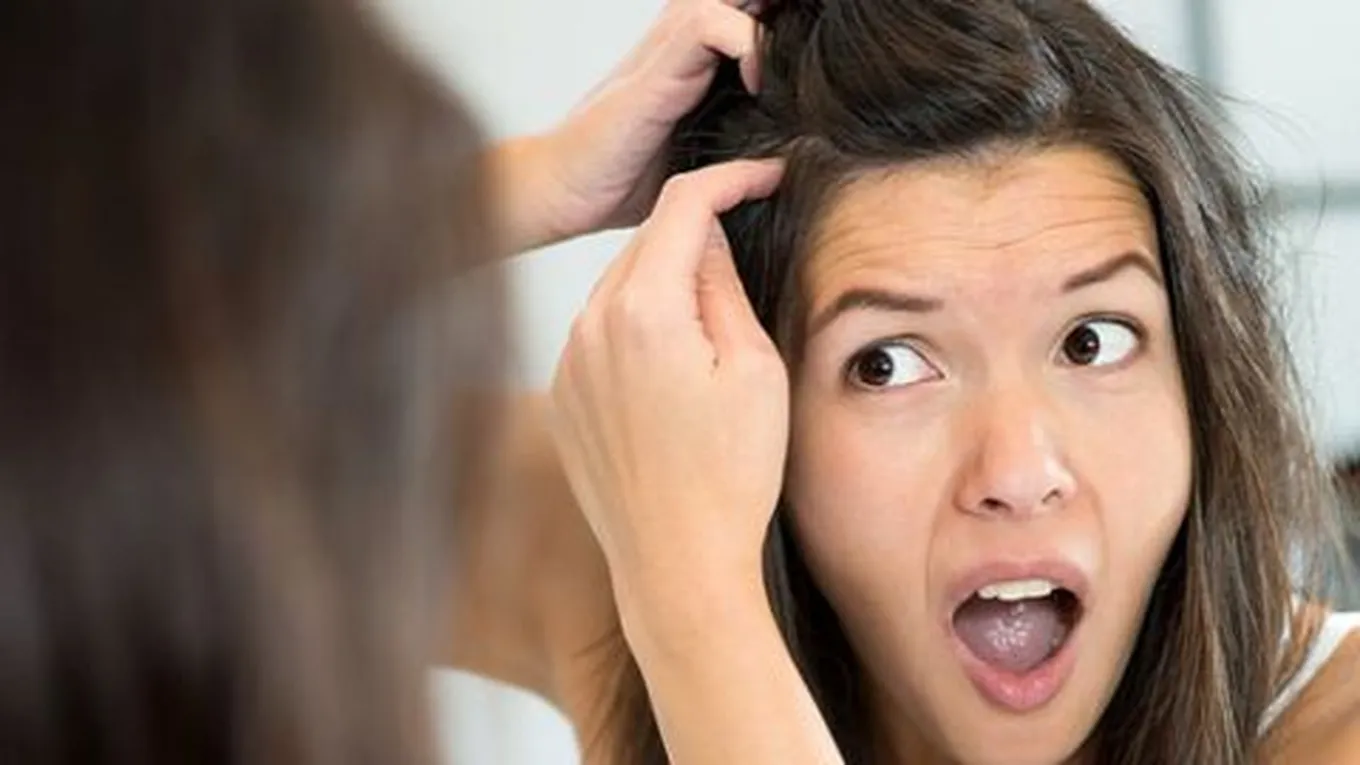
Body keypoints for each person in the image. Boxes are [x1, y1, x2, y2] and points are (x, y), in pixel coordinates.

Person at [0, 0, 842, 763]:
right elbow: (96, 467)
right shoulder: (633, 540)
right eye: (882, 362)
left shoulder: (670, 561)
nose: (968, 474)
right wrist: (524, 186)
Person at [543, 1, 1360, 764]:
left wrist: (694, 613)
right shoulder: (652, 532)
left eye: (1090, 342)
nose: (1019, 472)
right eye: (887, 363)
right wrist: (544, 184)